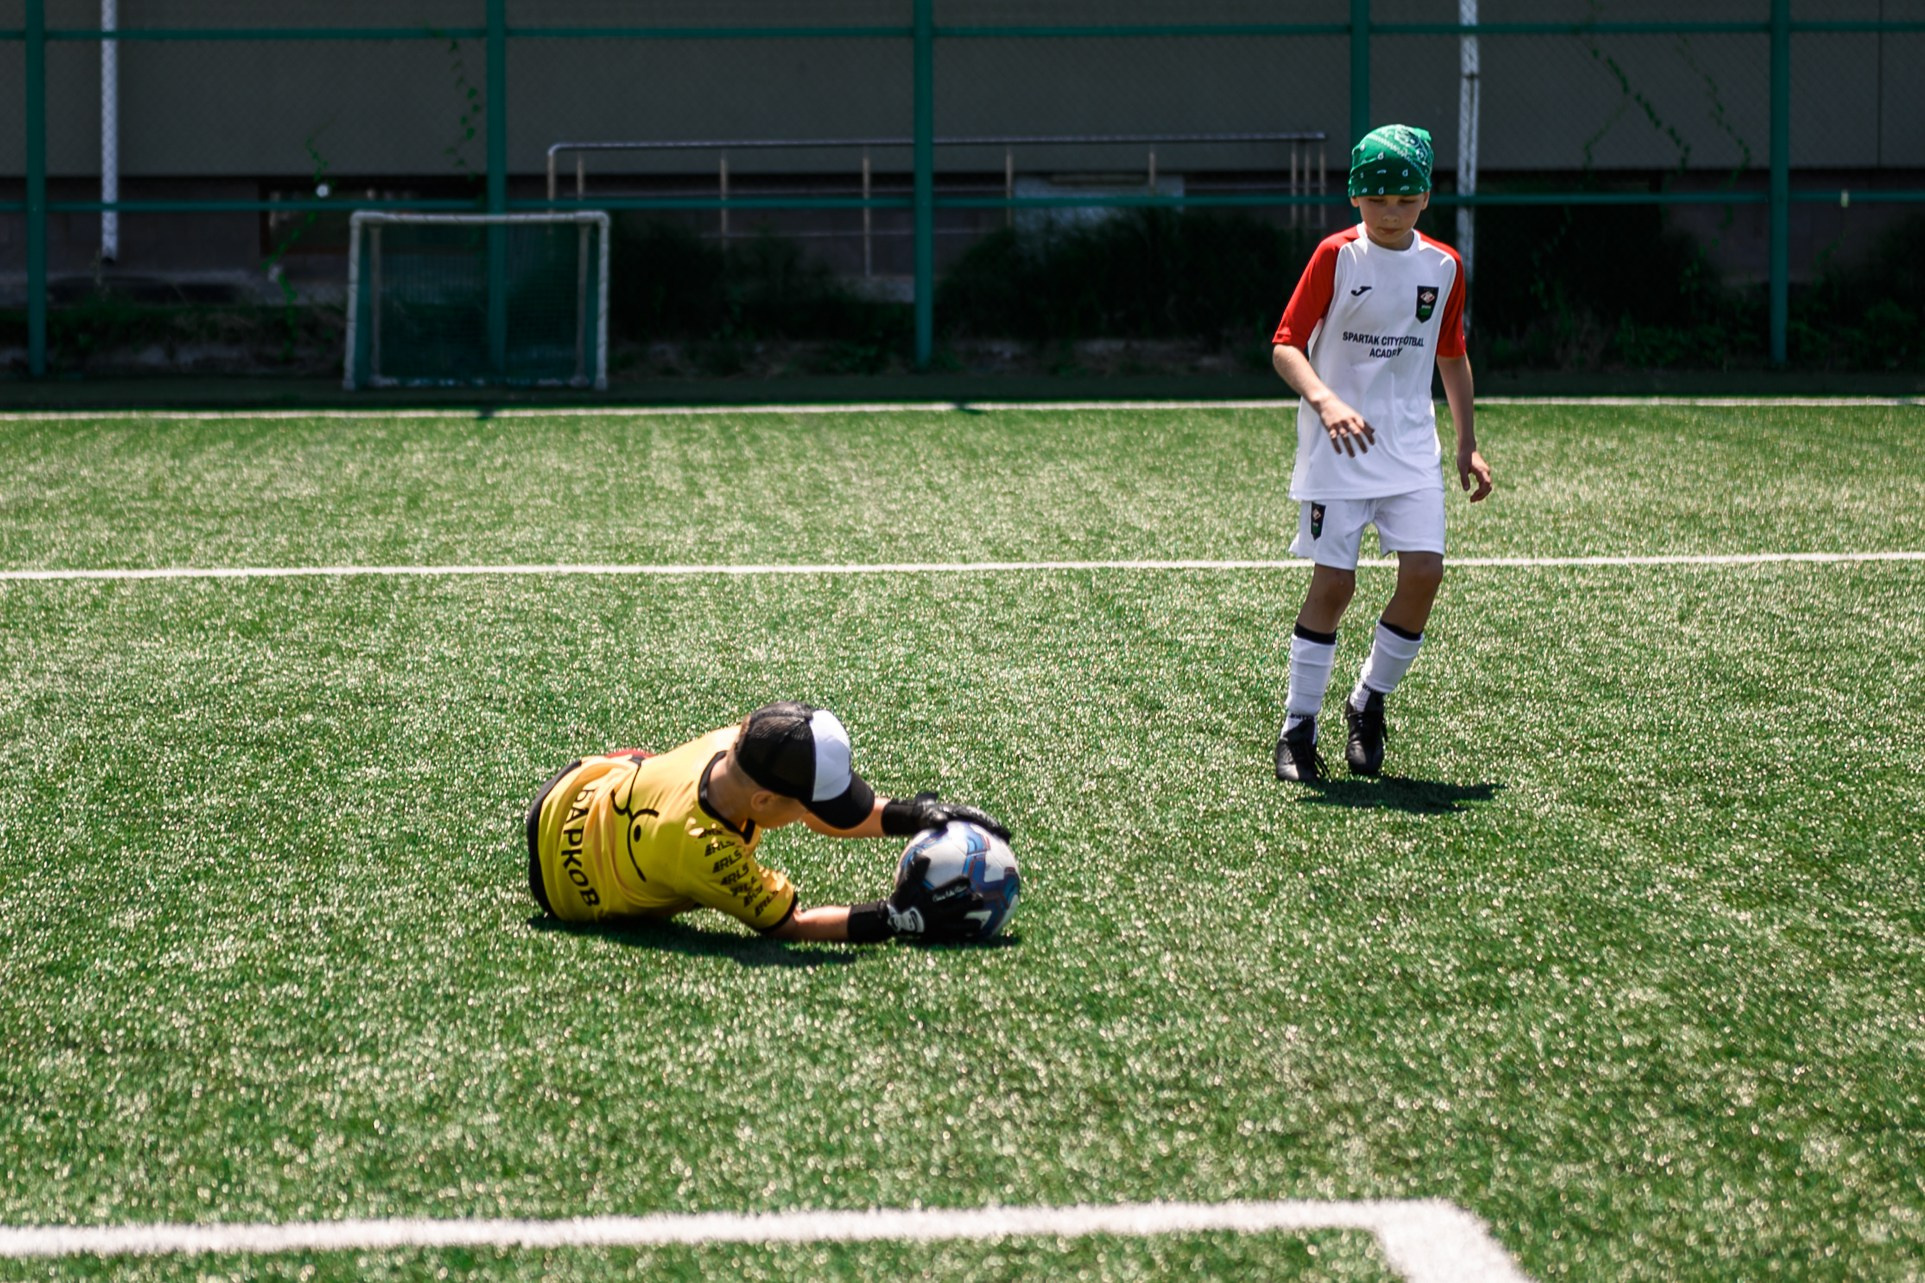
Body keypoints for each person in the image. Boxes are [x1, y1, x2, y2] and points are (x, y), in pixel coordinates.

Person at [1269, 124, 1493, 782]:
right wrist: (1325, 399)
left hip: (1408, 447)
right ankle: (1295, 727)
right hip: (1336, 449)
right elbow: (1285, 343)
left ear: (1425, 197)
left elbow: (1450, 353)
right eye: (1377, 200)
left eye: (1404, 199)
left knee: (1424, 571)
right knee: (1333, 585)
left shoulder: (1444, 266)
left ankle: (1367, 702)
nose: (1390, 213)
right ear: (1354, 199)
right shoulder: (1336, 256)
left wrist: (1466, 444)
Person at [526, 701, 1010, 943]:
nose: (813, 815)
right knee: (669, 855)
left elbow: (815, 815)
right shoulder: (706, 849)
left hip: (582, 784)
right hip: (563, 892)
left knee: (646, 768)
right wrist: (895, 919)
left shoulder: (735, 743)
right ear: (762, 800)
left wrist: (912, 814)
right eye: (804, 804)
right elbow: (791, 925)